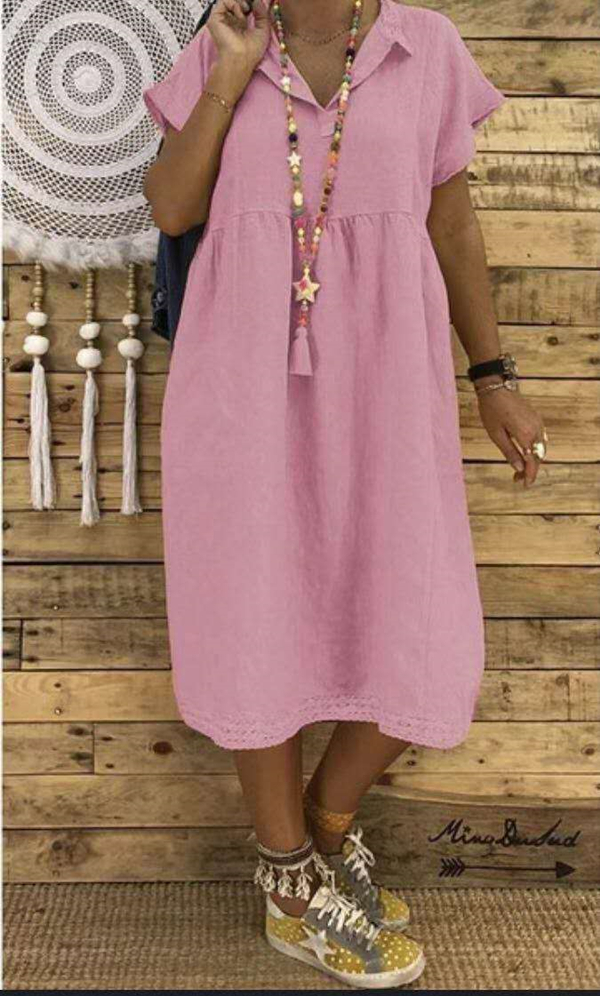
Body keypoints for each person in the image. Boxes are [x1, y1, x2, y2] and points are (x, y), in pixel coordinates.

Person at [142, 1, 548, 987]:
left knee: (427, 628)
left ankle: (326, 824)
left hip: (390, 385)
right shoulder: (222, 43)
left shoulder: (426, 46)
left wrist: (492, 374)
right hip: (241, 388)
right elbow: (171, 208)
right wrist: (229, 72)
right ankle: (290, 885)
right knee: (257, 618)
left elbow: (451, 219)